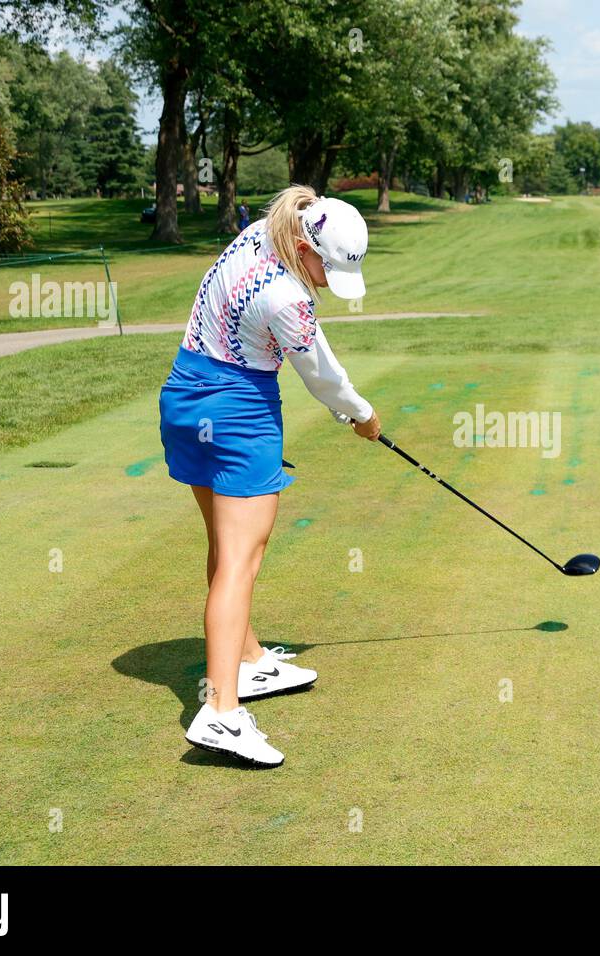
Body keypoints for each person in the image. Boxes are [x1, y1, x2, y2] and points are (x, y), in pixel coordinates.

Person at [159, 186, 381, 767]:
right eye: (327, 268)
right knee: (241, 561)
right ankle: (222, 714)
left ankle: (250, 660)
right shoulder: (288, 298)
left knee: (225, 547)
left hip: (186, 399)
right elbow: (323, 375)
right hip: (238, 414)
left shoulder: (258, 235)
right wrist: (361, 415)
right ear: (306, 246)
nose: (329, 281)